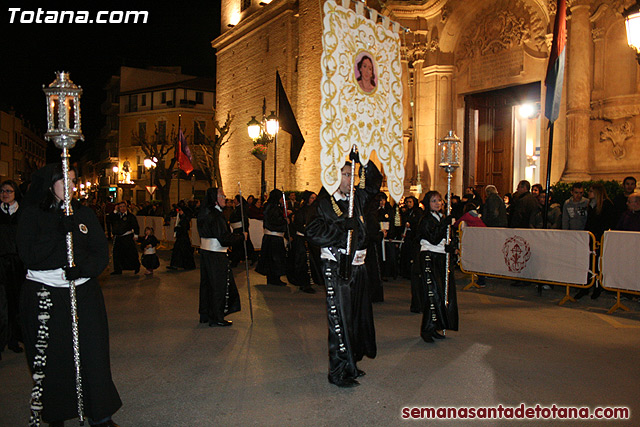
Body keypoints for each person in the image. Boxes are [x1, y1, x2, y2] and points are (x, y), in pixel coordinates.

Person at [17, 164, 121, 426]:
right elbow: (29, 257)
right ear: (50, 184)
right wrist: (57, 230)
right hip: (46, 295)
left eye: (74, 181)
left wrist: (83, 270)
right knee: (55, 358)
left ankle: (101, 414)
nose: (72, 187)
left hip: (83, 293)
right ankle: (57, 413)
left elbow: (100, 251)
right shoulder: (31, 215)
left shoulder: (84, 213)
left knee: (93, 353)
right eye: (66, 181)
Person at [306, 153, 382, 388]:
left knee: (357, 319)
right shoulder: (324, 202)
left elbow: (374, 184)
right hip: (338, 267)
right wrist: (341, 231)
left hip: (359, 266)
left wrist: (366, 163)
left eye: (354, 174)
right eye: (347, 174)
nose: (353, 179)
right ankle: (337, 371)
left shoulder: (356, 198)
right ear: (334, 177)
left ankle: (351, 363)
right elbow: (313, 231)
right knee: (339, 320)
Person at [414, 191, 459, 343]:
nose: (438, 203)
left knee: (441, 294)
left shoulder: (441, 218)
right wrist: (444, 225)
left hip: (439, 257)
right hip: (428, 257)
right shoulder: (426, 219)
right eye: (434, 201)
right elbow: (433, 239)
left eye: (439, 200)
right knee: (432, 294)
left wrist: (450, 248)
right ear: (428, 203)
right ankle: (426, 330)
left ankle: (434, 326)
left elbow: (444, 239)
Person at [197, 187, 243, 327]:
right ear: (215, 200)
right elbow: (224, 238)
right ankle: (217, 316)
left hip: (206, 253)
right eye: (222, 196)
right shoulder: (216, 216)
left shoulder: (205, 212)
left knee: (207, 284)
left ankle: (205, 314)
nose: (225, 198)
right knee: (218, 285)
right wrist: (240, 237)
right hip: (216, 254)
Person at [575, 183, 615, 300]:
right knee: (589, 262)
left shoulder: (606, 205)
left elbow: (608, 222)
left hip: (599, 238)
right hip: (591, 238)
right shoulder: (591, 205)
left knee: (597, 263)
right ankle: (586, 286)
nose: (589, 193)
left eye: (591, 191)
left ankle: (597, 287)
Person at [0, 180, 25, 358]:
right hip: (1, 263)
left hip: (18, 264)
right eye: (2, 191)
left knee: (17, 301)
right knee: (2, 304)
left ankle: (15, 338)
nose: (5, 194)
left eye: (9, 191)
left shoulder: (23, 213)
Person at [286, 191, 318, 294]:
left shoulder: (317, 210)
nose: (314, 200)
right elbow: (298, 225)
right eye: (312, 198)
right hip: (302, 239)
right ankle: (304, 283)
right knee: (303, 262)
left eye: (315, 198)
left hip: (313, 240)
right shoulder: (301, 211)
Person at [256, 189, 289, 286]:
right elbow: (275, 221)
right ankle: (275, 278)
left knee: (270, 258)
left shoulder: (269, 206)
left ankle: (272, 278)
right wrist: (285, 221)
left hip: (270, 237)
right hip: (274, 237)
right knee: (275, 259)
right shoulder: (273, 208)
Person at [108, 201, 140, 275]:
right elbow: (110, 218)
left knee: (131, 253)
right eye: (120, 207)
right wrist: (115, 210)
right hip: (118, 237)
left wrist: (136, 235)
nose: (122, 208)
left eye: (123, 206)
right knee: (117, 254)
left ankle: (136, 266)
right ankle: (118, 269)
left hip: (127, 237)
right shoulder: (116, 216)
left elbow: (135, 226)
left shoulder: (130, 216)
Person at [229, 195, 256, 268]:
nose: (233, 200)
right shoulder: (237, 208)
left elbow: (244, 219)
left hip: (240, 229)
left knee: (240, 245)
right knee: (242, 245)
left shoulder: (241, 208)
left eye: (235, 199)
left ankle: (236, 261)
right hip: (237, 228)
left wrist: (245, 229)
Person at [167, 206, 196, 270]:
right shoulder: (182, 218)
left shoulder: (185, 219)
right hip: (181, 237)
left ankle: (186, 265)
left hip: (183, 238)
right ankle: (175, 264)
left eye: (180, 210)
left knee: (183, 251)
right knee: (177, 251)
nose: (179, 212)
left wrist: (178, 228)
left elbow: (185, 228)